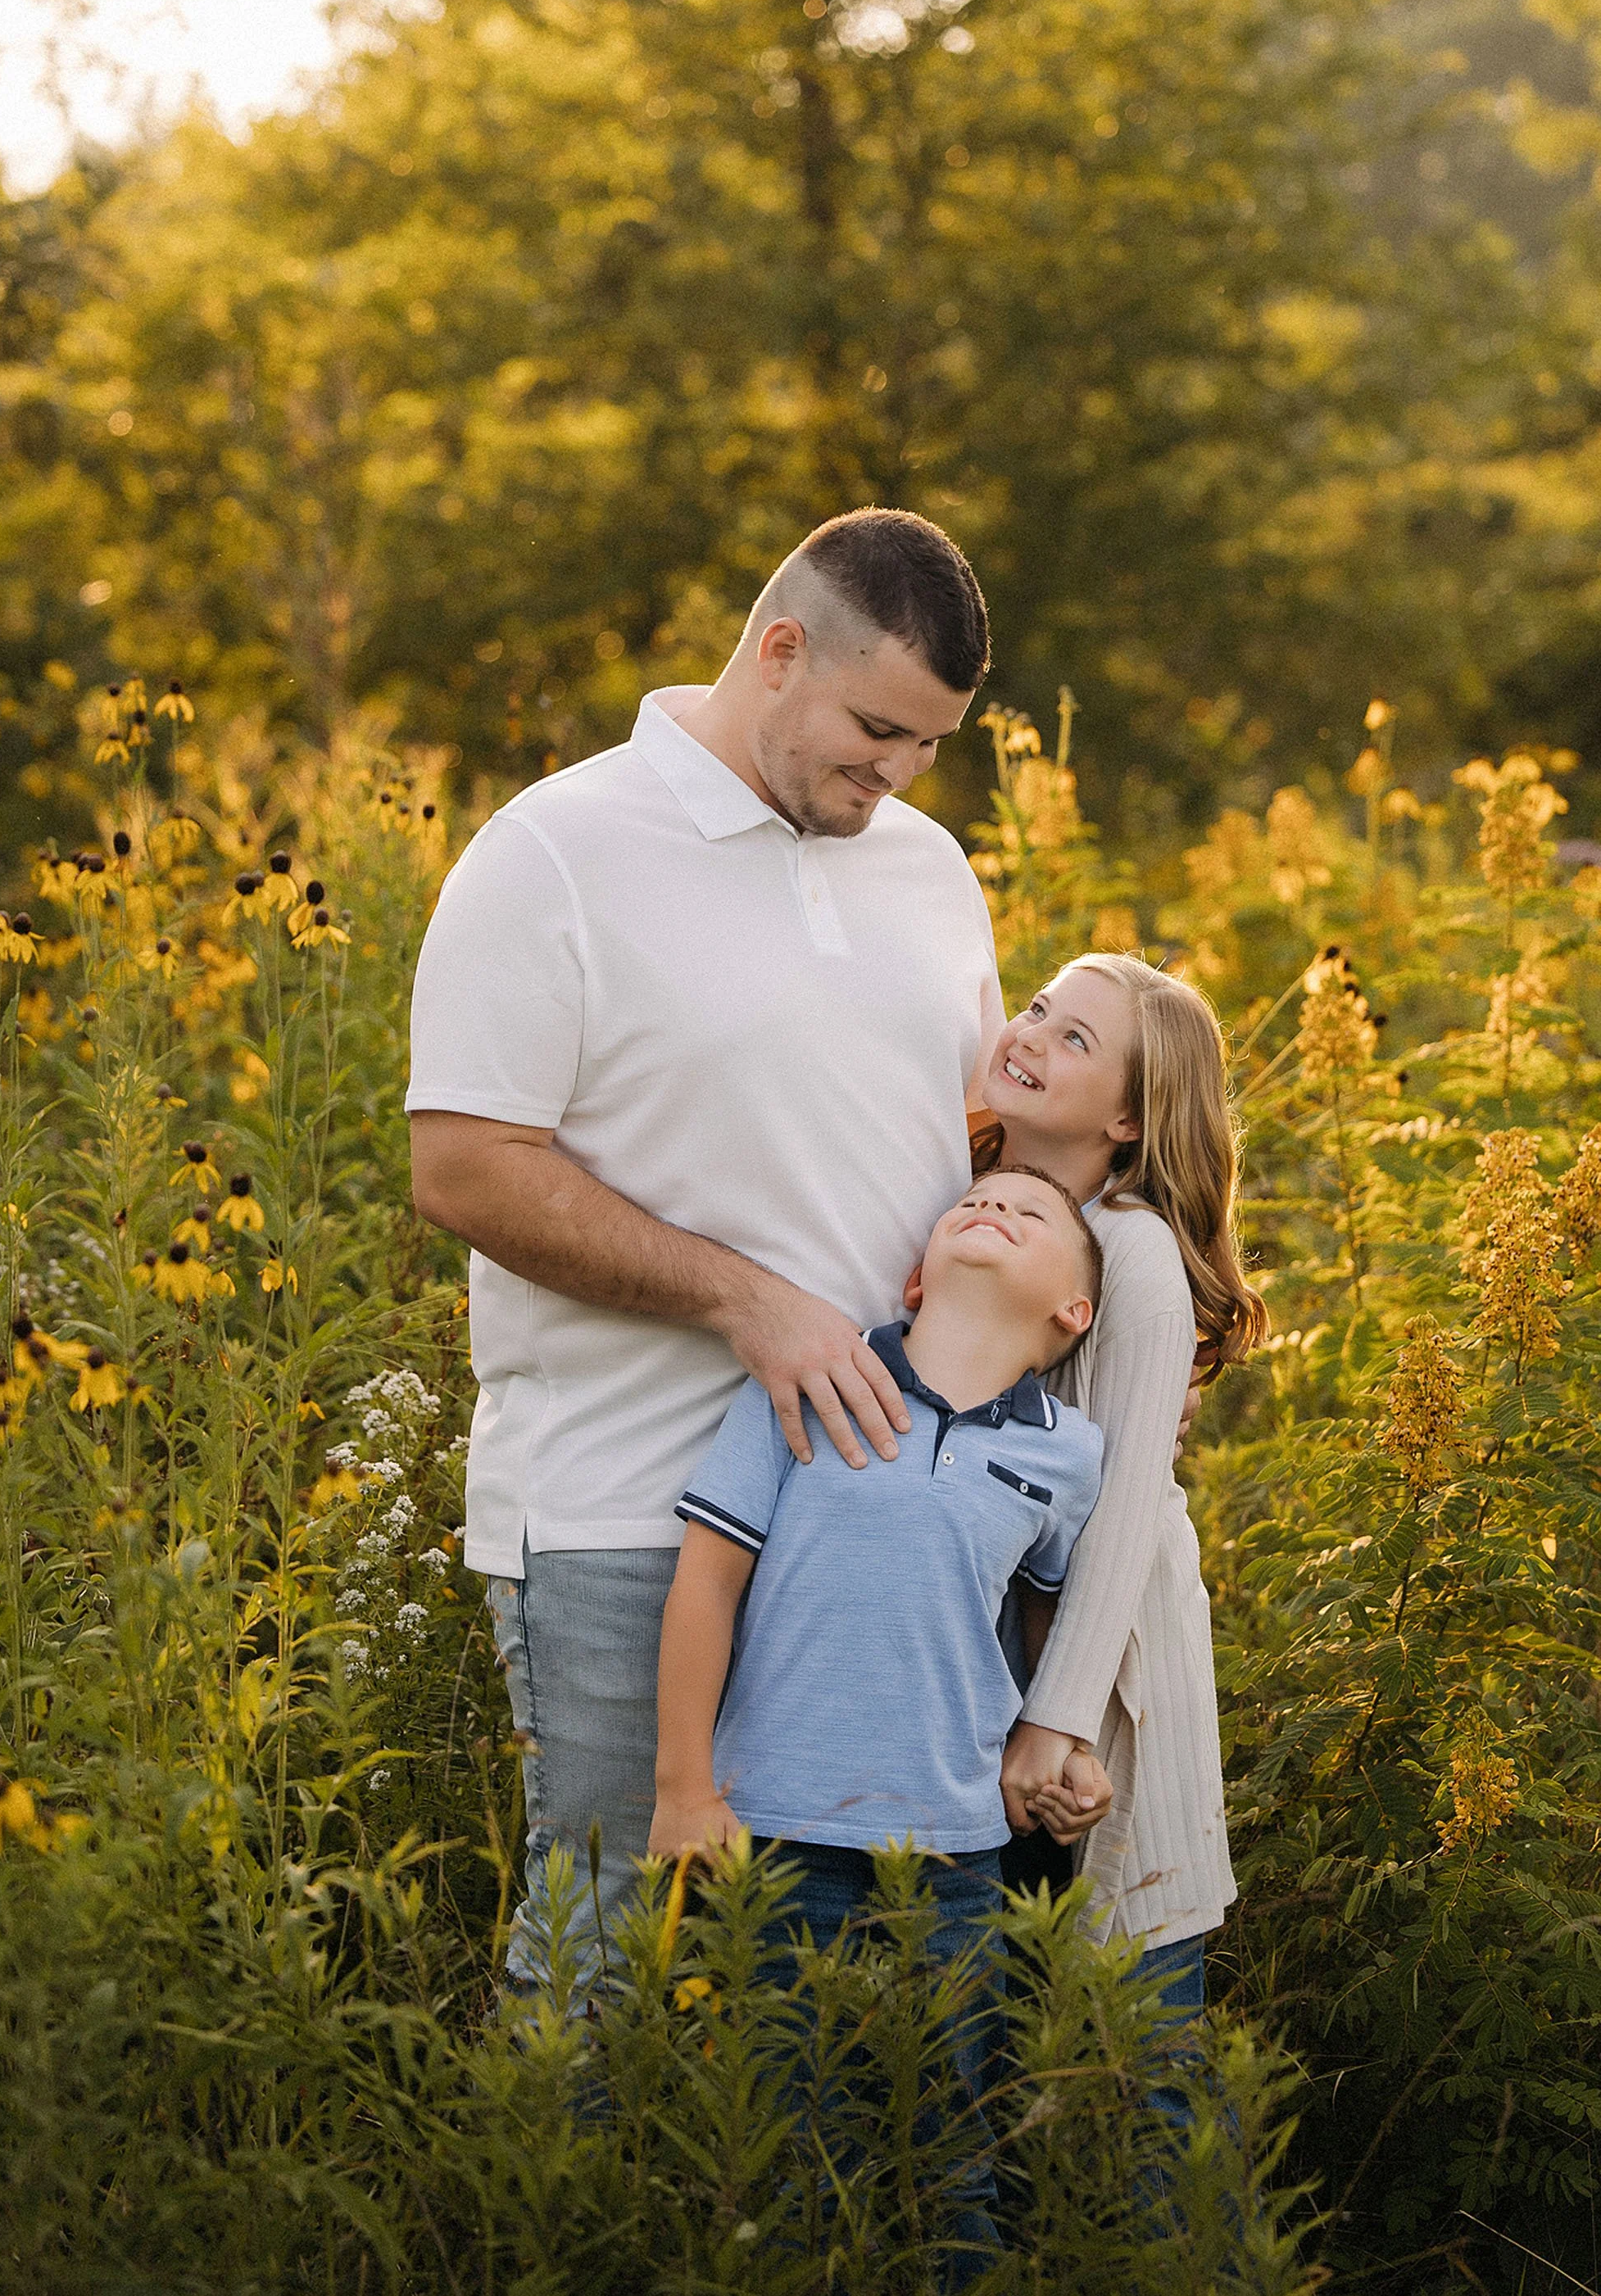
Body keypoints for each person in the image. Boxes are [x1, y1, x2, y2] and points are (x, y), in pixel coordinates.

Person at [406, 508, 1023, 1986]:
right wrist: (751, 1304)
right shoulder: (552, 851)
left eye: (930, 746)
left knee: (839, 1967)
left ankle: (756, 2227)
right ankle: (553, 2224)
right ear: (779, 650)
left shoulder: (929, 869)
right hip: (624, 1506)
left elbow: (976, 1146)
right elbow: (463, 1167)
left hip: (877, 1523)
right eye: (877, 730)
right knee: (608, 1935)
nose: (897, 778)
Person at [649, 1162, 1110, 2274]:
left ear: (1073, 1313)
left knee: (950, 2152)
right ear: (916, 1275)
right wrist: (684, 1787)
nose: (994, 1207)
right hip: (778, 1839)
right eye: (974, 1200)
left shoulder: (1068, 1454)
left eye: (1032, 1212)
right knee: (790, 2154)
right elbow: (705, 1585)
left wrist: (1058, 1747)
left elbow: (1041, 1623)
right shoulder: (816, 1379)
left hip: (952, 1858)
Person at [980, 953, 1268, 2026]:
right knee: (1016, 2047)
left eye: (1075, 1041)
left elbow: (1126, 1512)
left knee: (1133, 2066)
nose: (1032, 1035)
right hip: (1001, 1673)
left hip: (1108, 1684)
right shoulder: (982, 1205)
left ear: (1132, 1123)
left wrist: (1058, 1723)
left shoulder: (1134, 1252)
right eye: (1039, 1009)